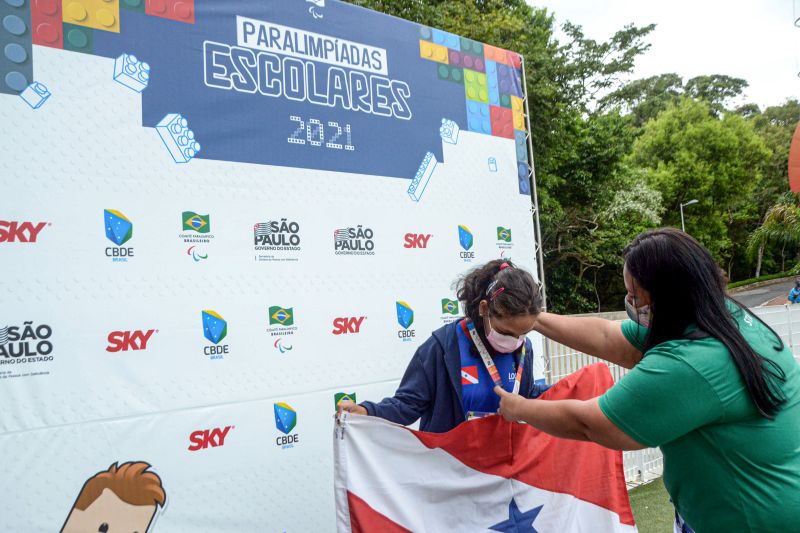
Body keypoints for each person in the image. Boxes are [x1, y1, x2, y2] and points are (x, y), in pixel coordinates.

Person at [494, 228, 800, 533]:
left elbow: (592, 424)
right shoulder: (717, 318)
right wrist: (534, 319)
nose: (630, 302)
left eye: (635, 295)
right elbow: (607, 337)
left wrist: (520, 408)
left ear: (667, 297)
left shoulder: (693, 363)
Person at [338, 259, 549, 433]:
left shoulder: (524, 349)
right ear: (484, 309)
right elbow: (408, 404)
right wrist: (366, 411)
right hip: (451, 470)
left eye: (522, 334)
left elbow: (527, 394)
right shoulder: (443, 347)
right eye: (506, 332)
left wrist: (574, 390)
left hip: (503, 472)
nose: (514, 341)